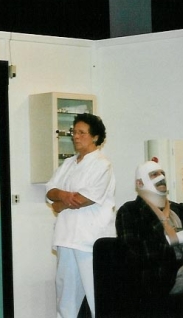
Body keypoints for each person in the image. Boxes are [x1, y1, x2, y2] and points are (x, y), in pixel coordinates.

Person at [116, 159, 183, 318]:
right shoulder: (130, 211)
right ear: (140, 183)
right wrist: (171, 240)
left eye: (162, 173)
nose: (161, 177)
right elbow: (135, 254)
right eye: (154, 174)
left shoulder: (176, 209)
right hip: (157, 276)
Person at [45, 113, 115, 318]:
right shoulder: (68, 164)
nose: (76, 136)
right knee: (65, 296)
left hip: (90, 240)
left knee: (96, 296)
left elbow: (85, 198)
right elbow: (50, 191)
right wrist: (63, 196)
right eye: (74, 132)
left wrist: (61, 203)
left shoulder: (102, 164)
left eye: (82, 133)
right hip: (66, 237)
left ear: (95, 137)